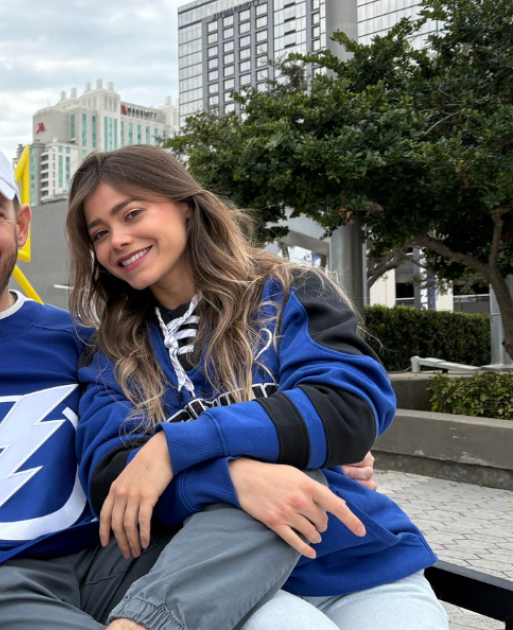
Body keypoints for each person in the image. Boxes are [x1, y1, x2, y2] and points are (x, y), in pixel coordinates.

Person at [0, 139, 360, 630]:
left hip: (113, 552)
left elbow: (168, 420)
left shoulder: (87, 339)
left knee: (271, 496)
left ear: (21, 226)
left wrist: (275, 459)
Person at [66, 145, 446, 629]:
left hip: (358, 558)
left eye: (132, 213)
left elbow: (350, 410)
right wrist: (235, 480)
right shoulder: (111, 350)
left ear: (185, 204)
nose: (117, 239)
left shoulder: (287, 288)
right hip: (228, 577)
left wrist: (173, 447)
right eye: (100, 233)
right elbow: (114, 483)